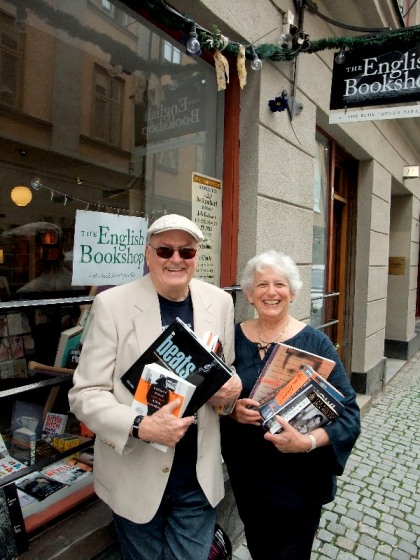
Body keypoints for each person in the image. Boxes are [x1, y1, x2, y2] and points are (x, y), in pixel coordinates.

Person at [68, 214, 241, 560]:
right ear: (148, 255)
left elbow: (228, 370)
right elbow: (85, 394)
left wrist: (231, 393)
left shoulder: (220, 302)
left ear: (197, 256)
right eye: (165, 250)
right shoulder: (112, 305)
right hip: (134, 475)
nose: (175, 259)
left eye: (186, 252)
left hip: (197, 478)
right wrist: (140, 425)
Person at [220, 250, 360, 560]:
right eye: (262, 285)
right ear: (250, 294)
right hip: (249, 479)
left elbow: (349, 414)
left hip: (299, 482)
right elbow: (211, 396)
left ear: (293, 293)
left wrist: (307, 442)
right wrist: (230, 410)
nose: (271, 292)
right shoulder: (232, 339)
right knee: (260, 550)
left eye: (280, 284)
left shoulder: (316, 344)